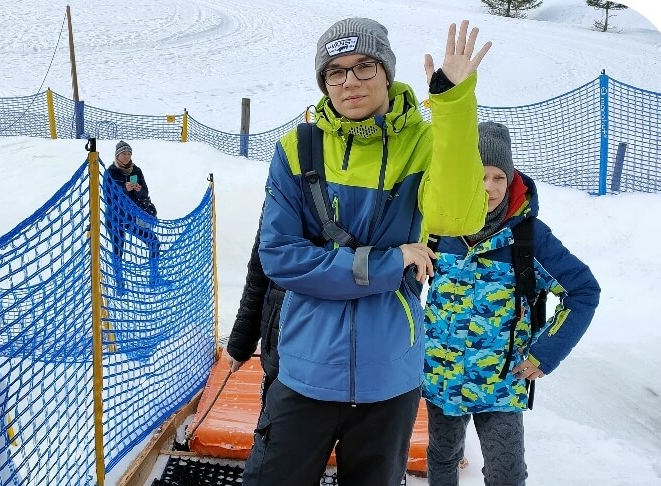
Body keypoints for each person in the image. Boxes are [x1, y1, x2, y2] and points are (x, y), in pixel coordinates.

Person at [244, 17, 492, 486]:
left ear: (387, 71)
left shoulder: (423, 143)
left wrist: (453, 105)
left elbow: (458, 219)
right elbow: (279, 255)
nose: (349, 81)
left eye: (363, 66)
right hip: (304, 372)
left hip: (389, 378)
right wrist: (388, 261)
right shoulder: (297, 148)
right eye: (335, 71)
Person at [422, 121, 601, 485]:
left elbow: (583, 291)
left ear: (510, 179)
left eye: (498, 178)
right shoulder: (437, 228)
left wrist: (545, 353)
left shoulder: (529, 236)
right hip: (440, 377)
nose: (488, 187)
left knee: (506, 474)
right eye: (479, 175)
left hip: (501, 383)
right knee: (442, 457)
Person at [226, 213, 283, 413]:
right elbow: (260, 273)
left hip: (368, 375)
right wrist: (241, 342)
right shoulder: (286, 184)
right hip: (286, 363)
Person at [103, 140, 163, 286]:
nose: (127, 156)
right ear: (117, 155)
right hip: (115, 217)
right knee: (118, 249)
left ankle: (154, 277)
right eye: (123, 153)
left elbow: (145, 193)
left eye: (129, 153)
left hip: (134, 217)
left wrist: (138, 189)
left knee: (154, 243)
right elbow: (108, 197)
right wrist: (124, 189)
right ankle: (119, 283)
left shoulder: (136, 171)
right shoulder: (110, 172)